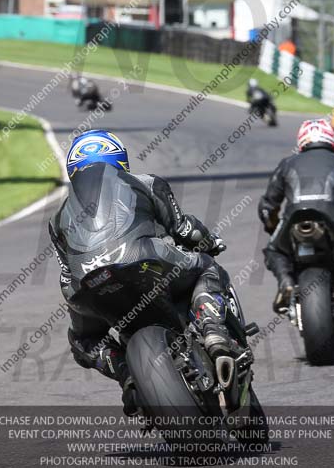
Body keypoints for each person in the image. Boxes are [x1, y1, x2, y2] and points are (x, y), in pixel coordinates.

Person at [49, 130, 237, 415]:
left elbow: (66, 278)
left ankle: (128, 376)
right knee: (207, 267)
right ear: (120, 159)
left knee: (82, 341)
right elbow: (185, 229)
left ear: (73, 169)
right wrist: (209, 242)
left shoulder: (56, 218)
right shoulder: (147, 182)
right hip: (145, 260)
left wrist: (82, 298)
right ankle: (213, 332)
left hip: (88, 284)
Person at [258, 119, 334, 314]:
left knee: (273, 249)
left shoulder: (286, 164)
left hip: (293, 222)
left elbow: (267, 207)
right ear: (332, 139)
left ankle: (285, 283)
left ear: (302, 140)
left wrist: (273, 229)